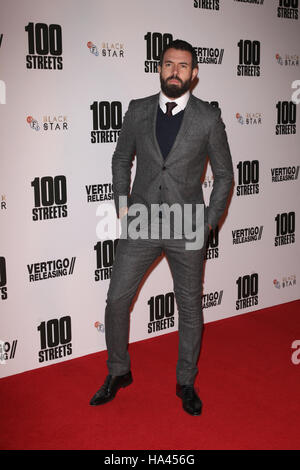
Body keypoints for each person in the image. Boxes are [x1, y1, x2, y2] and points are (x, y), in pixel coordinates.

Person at [90, 39, 234, 416]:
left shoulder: (207, 118)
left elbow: (224, 176)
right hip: (140, 219)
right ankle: (118, 371)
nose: (175, 71)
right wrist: (122, 205)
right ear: (159, 68)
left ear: (194, 73)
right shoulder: (138, 111)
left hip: (187, 223)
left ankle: (185, 380)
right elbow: (121, 158)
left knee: (189, 307)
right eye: (169, 64)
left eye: (183, 66)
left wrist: (206, 224)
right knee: (117, 299)